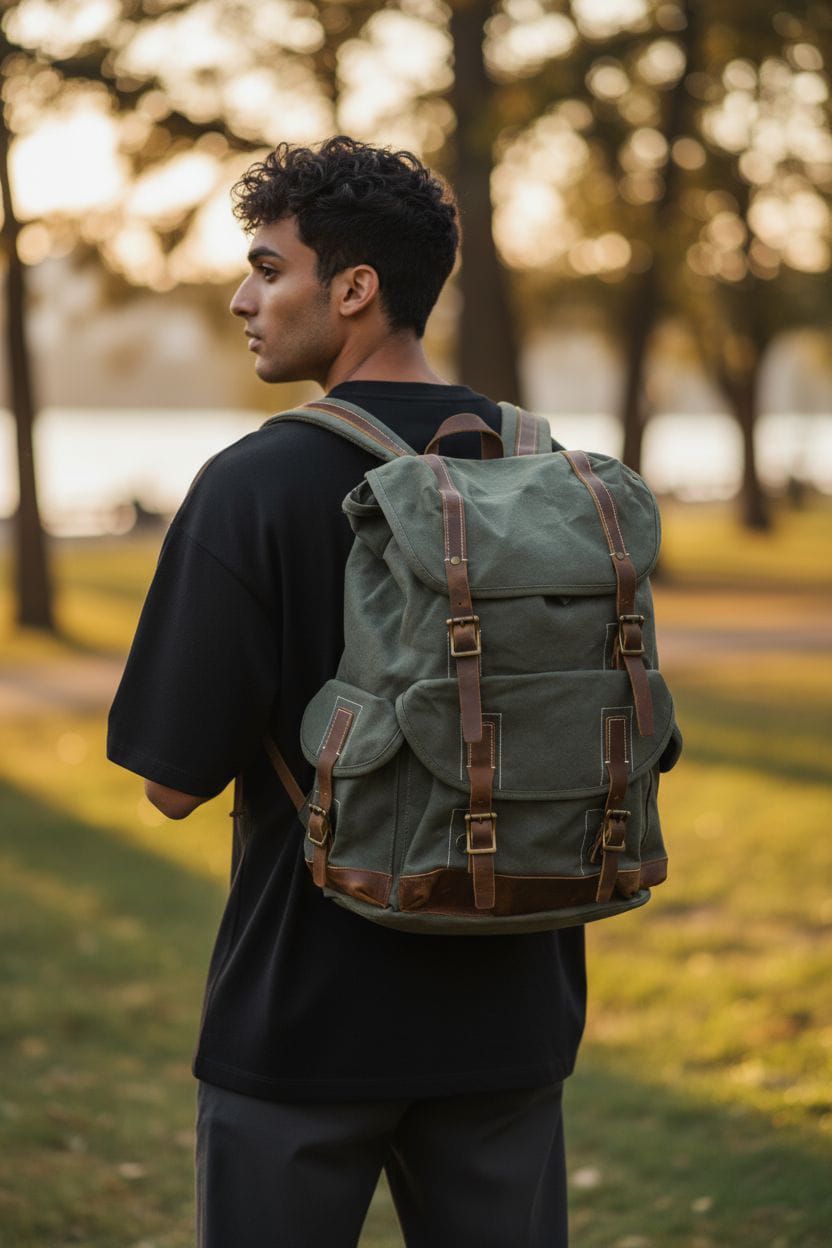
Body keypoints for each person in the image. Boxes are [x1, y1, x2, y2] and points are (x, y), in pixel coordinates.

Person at [107, 135, 586, 1248]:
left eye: (268, 269)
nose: (242, 298)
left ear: (355, 288)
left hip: (305, 1024)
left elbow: (171, 783)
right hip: (513, 1008)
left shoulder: (254, 483)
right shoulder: (545, 472)